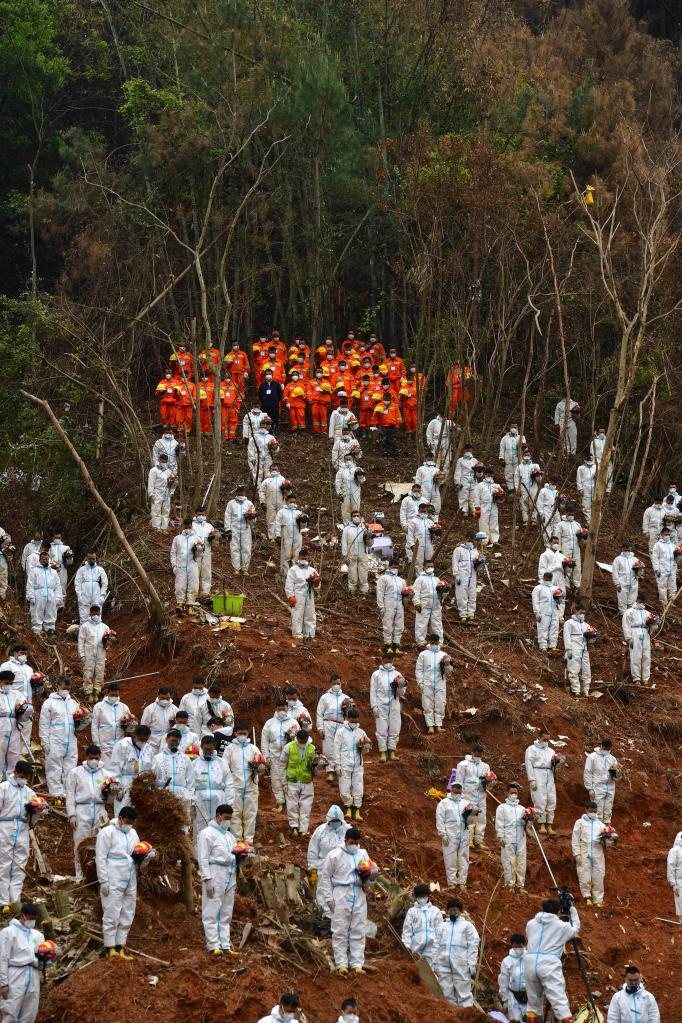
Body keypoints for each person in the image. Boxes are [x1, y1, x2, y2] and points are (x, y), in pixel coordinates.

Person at [318, 827, 371, 975]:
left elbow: (367, 875)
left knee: (358, 928)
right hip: (341, 892)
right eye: (351, 842)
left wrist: (368, 881)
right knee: (340, 929)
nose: (354, 845)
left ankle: (357, 963)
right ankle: (341, 963)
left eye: (356, 842)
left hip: (358, 892)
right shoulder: (334, 855)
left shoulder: (362, 854)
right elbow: (325, 877)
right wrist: (329, 899)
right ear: (346, 840)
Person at [96, 806, 142, 958]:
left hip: (130, 877)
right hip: (113, 876)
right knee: (112, 912)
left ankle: (121, 946)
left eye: (132, 823)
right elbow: (101, 857)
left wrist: (145, 857)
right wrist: (103, 881)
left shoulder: (133, 833)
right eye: (127, 822)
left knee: (128, 911)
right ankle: (110, 948)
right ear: (120, 818)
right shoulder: (107, 833)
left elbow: (136, 855)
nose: (129, 825)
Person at [525, 896, 580, 1022]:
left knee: (533, 1001)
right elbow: (575, 929)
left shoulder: (531, 923)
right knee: (558, 999)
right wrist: (572, 910)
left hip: (530, 961)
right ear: (559, 911)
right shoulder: (562, 926)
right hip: (549, 963)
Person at [197, 803, 238, 955]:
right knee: (211, 910)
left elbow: (234, 856)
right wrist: (207, 878)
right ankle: (213, 944)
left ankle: (225, 945)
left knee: (226, 911)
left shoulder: (230, 836)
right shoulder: (206, 833)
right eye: (226, 818)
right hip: (215, 873)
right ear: (218, 816)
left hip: (229, 873)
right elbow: (203, 857)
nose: (228, 821)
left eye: (230, 819)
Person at [65, 745, 108, 880]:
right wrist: (72, 814)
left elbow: (112, 797)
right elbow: (70, 795)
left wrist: (112, 793)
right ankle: (80, 876)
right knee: (80, 843)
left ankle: (96, 876)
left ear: (100, 757)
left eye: (96, 758)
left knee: (100, 843)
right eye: (91, 758)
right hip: (82, 810)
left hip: (100, 810)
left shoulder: (106, 774)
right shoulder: (76, 773)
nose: (94, 760)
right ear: (86, 757)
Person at [0, 762, 36, 909]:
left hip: (22, 828)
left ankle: (15, 901)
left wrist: (36, 812)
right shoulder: (3, 788)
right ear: (15, 772)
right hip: (5, 827)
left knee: (19, 865)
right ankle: (3, 902)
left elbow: (33, 821)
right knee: (4, 865)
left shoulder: (29, 792)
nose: (24, 779)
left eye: (26, 777)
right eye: (22, 776)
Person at [188, 735, 234, 845]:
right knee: (200, 826)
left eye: (210, 749)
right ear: (201, 747)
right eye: (206, 749)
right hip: (200, 800)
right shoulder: (194, 764)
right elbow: (190, 784)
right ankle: (199, 855)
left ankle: (219, 852)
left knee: (219, 825)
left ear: (214, 747)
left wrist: (229, 802)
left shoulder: (222, 763)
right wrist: (191, 801)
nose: (208, 751)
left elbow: (229, 784)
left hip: (218, 800)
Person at [433, 896, 480, 1007]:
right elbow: (436, 945)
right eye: (451, 910)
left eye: (456, 910)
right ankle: (452, 1016)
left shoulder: (467, 926)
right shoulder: (442, 926)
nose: (453, 912)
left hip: (461, 966)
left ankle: (466, 1016)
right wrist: (435, 962)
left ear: (461, 911)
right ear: (447, 911)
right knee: (446, 993)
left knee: (464, 994)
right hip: (443, 965)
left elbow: (473, 944)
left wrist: (471, 964)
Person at [39, 676, 79, 798]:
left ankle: (68, 794)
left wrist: (83, 722)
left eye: (68, 688)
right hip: (55, 740)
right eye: (63, 688)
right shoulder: (49, 703)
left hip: (71, 740)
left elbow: (78, 724)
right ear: (57, 686)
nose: (66, 690)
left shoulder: (73, 703)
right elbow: (44, 723)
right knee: (54, 768)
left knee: (70, 768)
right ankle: (56, 794)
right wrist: (45, 742)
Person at [223, 724, 261, 843]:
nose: (242, 736)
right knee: (235, 812)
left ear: (248, 734)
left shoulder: (253, 748)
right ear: (235, 734)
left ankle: (249, 839)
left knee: (250, 812)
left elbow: (262, 767)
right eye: (240, 733)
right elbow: (224, 767)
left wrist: (258, 766)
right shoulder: (229, 749)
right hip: (235, 785)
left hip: (251, 784)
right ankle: (237, 839)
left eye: (244, 733)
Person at [307, 804, 349, 910]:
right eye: (333, 821)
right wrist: (312, 869)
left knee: (342, 893)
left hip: (342, 868)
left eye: (337, 821)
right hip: (324, 867)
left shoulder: (348, 830)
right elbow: (313, 850)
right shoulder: (320, 831)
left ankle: (342, 916)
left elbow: (355, 849)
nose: (335, 824)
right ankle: (325, 916)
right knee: (323, 892)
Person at [572, 801, 613, 906]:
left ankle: (598, 899)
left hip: (597, 851)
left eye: (595, 811)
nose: (593, 813)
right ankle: (587, 896)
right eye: (591, 811)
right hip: (584, 851)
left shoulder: (600, 825)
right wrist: (576, 854)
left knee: (598, 875)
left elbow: (607, 843)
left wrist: (609, 839)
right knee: (584, 874)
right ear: (586, 810)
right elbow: (575, 839)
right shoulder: (579, 823)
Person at [436, 781, 476, 888]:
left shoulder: (466, 803)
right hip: (450, 835)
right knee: (450, 859)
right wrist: (443, 834)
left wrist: (470, 831)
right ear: (451, 788)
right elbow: (440, 819)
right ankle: (452, 882)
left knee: (464, 858)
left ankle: (462, 882)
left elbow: (471, 820)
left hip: (464, 833)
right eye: (455, 787)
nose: (457, 790)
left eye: (459, 788)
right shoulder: (444, 803)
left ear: (462, 789)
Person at [261, 700, 298, 811]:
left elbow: (298, 740)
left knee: (289, 779)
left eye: (284, 708)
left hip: (289, 757)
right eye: (279, 708)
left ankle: (290, 803)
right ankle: (280, 803)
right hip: (274, 756)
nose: (282, 710)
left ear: (287, 708)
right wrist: (266, 757)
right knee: (276, 780)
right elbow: (264, 741)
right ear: (276, 709)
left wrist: (291, 737)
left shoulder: (293, 722)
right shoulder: (269, 723)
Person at [334, 708, 370, 822]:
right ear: (348, 718)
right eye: (352, 719)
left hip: (358, 764)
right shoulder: (340, 732)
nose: (353, 721)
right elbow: (336, 749)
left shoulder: (361, 732)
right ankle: (348, 808)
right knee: (344, 786)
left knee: (358, 786)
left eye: (355, 719)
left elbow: (366, 750)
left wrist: (364, 747)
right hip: (345, 764)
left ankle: (357, 809)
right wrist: (337, 765)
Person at [109, 724, 153, 814]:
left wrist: (150, 785)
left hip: (141, 786)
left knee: (139, 815)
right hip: (125, 784)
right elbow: (115, 767)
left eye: (146, 739)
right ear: (134, 736)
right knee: (123, 813)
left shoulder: (148, 748)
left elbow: (151, 769)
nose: (143, 742)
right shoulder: (122, 745)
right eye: (141, 739)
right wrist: (117, 788)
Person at [370, 655, 405, 763]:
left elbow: (402, 693)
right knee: (381, 728)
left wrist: (399, 686)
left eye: (390, 660)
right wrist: (374, 706)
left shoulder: (398, 674)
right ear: (382, 660)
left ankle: (392, 751)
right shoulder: (376, 674)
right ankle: (383, 753)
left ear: (393, 661)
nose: (388, 662)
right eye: (386, 661)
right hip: (381, 704)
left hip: (394, 704)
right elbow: (373, 691)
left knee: (394, 727)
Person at [524, 729, 561, 834]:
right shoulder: (531, 749)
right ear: (539, 738)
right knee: (540, 799)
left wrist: (557, 762)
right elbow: (529, 765)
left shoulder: (551, 751)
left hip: (549, 774)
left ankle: (549, 824)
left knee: (551, 799)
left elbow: (554, 767)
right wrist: (531, 780)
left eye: (548, 740)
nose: (546, 741)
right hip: (537, 773)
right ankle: (542, 825)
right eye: (544, 739)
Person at [456, 744, 492, 849]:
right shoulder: (463, 765)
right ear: (472, 752)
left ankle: (478, 841)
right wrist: (460, 797)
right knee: (470, 817)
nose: (479, 756)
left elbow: (488, 784)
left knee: (481, 818)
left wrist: (489, 782)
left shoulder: (485, 766)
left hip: (481, 795)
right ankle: (468, 840)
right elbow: (459, 781)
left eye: (481, 754)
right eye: (477, 753)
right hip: (468, 795)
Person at [281, 729, 316, 836]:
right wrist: (284, 782)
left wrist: (319, 766)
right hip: (292, 780)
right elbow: (282, 765)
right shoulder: (289, 747)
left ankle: (303, 829)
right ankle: (294, 827)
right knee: (292, 805)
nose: (302, 742)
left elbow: (315, 768)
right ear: (297, 738)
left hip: (306, 781)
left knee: (306, 806)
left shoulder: (312, 748)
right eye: (300, 740)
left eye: (304, 740)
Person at [495, 782, 528, 893]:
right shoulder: (502, 808)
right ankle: (510, 885)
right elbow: (499, 823)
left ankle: (520, 885)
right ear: (507, 793)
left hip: (520, 839)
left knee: (521, 862)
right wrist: (500, 837)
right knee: (508, 862)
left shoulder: (522, 809)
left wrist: (531, 819)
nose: (514, 795)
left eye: (515, 793)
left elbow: (527, 825)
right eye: (511, 792)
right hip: (508, 839)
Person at [401, 883, 443, 969]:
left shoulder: (435, 911)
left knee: (432, 972)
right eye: (419, 897)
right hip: (416, 947)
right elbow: (407, 930)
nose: (422, 899)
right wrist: (407, 947)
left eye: (424, 896)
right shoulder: (412, 911)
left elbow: (440, 931)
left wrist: (439, 947)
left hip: (431, 948)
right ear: (416, 897)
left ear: (428, 896)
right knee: (417, 970)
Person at [415, 634, 451, 733]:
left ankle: (438, 725)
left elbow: (448, 671)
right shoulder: (423, 654)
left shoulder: (443, 654)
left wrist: (447, 664)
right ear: (429, 642)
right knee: (427, 703)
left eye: (435, 643)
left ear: (438, 642)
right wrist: (420, 682)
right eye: (432, 643)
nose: (434, 645)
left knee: (440, 702)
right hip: (427, 682)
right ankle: (430, 725)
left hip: (440, 682)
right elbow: (419, 670)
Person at [316, 678, 349, 782]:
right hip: (328, 723)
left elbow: (350, 714)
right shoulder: (325, 697)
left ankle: (339, 769)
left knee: (340, 746)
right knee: (328, 748)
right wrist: (320, 728)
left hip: (341, 724)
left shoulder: (346, 698)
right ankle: (329, 771)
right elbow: (319, 713)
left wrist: (347, 724)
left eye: (338, 683)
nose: (336, 685)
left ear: (341, 683)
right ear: (330, 683)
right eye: (334, 683)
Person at [152, 729, 191, 816]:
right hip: (163, 795)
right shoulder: (157, 758)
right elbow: (153, 777)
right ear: (166, 740)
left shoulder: (185, 759)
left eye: (176, 741)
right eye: (172, 740)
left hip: (181, 796)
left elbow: (191, 780)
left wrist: (188, 796)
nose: (174, 743)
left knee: (181, 823)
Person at [0, 646, 33, 745]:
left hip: (26, 703)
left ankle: (23, 755)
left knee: (26, 728)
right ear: (14, 653)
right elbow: (3, 682)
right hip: (10, 704)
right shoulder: (7, 665)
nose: (24, 655)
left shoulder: (29, 669)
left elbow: (33, 687)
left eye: (25, 653)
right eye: (21, 653)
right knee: (10, 733)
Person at [26, 550, 62, 639]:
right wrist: (31, 596)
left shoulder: (53, 572)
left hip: (51, 594)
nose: (45, 561)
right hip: (38, 594)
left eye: (46, 559)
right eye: (43, 559)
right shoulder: (34, 571)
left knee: (51, 613)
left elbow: (58, 586)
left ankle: (50, 630)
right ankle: (36, 631)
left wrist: (58, 598)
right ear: (40, 560)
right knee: (37, 613)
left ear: (48, 559)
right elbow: (30, 584)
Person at [91, 683, 130, 765]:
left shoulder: (124, 707)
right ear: (107, 693)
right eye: (112, 695)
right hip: (104, 746)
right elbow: (94, 726)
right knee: (106, 771)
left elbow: (129, 725)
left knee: (118, 770)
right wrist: (97, 744)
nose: (114, 697)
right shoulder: (99, 707)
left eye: (116, 695)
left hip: (120, 745)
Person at [284, 551, 320, 641]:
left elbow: (318, 586)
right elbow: (289, 583)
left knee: (310, 614)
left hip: (309, 593)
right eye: (302, 557)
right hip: (298, 593)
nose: (304, 559)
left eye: (305, 558)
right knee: (297, 613)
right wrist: (290, 596)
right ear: (299, 557)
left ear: (308, 558)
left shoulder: (312, 570)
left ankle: (309, 634)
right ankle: (297, 634)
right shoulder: (293, 569)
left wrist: (316, 582)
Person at [78, 606, 112, 700]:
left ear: (100, 614)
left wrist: (108, 641)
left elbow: (109, 642)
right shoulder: (85, 627)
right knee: (88, 672)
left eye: (97, 614)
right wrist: (82, 655)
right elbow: (81, 642)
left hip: (101, 653)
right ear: (90, 614)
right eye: (94, 614)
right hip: (88, 653)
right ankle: (88, 692)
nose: (96, 616)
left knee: (100, 672)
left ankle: (97, 691)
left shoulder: (105, 627)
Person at [0, 670, 29, 779]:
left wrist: (21, 709)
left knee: (13, 752)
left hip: (14, 725)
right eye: (6, 683)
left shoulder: (16, 694)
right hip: (1, 724)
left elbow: (26, 708)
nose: (9, 685)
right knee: (0, 752)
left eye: (11, 683)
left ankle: (10, 779)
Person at [170, 516, 203, 607]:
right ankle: (180, 603)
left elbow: (200, 554)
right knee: (180, 585)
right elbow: (173, 552)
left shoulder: (197, 538)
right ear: (183, 526)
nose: (188, 528)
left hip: (192, 564)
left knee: (193, 584)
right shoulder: (177, 538)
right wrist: (174, 566)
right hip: (180, 565)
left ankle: (191, 603)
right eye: (186, 527)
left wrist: (198, 549)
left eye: (189, 527)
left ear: (191, 526)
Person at [584, 738, 618, 824]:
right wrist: (590, 788)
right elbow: (588, 772)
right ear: (601, 746)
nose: (607, 751)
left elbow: (615, 776)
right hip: (597, 787)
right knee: (598, 811)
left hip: (610, 787)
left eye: (608, 749)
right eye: (605, 749)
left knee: (608, 810)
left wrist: (617, 773)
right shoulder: (592, 757)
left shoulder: (612, 759)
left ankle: (606, 832)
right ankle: (596, 832)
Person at [375, 562, 407, 654]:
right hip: (388, 604)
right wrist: (381, 606)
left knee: (399, 625)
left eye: (397, 567)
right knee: (388, 625)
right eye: (393, 567)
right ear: (389, 567)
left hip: (399, 604)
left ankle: (396, 645)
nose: (395, 569)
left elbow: (405, 593)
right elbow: (380, 592)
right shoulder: (383, 578)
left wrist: (407, 594)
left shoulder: (401, 580)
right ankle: (388, 645)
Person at [224, 486, 256, 575]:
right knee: (234, 548)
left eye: (242, 491)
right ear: (236, 492)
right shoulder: (231, 503)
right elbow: (227, 517)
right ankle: (236, 569)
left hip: (245, 529)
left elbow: (253, 521)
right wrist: (228, 529)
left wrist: (251, 517)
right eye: (239, 491)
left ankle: (245, 569)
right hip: (234, 529)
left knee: (246, 549)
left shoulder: (249, 503)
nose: (240, 493)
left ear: (245, 492)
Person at [564, 608, 595, 698]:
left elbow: (590, 640)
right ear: (575, 612)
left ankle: (586, 690)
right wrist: (568, 649)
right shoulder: (569, 623)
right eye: (581, 612)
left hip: (584, 650)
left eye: (584, 613)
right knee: (574, 669)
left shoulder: (586, 625)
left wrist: (592, 637)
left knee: (587, 670)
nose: (582, 614)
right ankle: (576, 690)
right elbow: (566, 636)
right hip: (574, 648)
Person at [622, 600, 654, 686]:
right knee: (636, 656)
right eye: (640, 601)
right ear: (636, 600)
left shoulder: (647, 613)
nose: (642, 603)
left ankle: (646, 678)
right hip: (634, 633)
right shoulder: (629, 612)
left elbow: (653, 627)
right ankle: (636, 678)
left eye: (643, 601)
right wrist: (629, 638)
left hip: (645, 634)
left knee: (646, 656)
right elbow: (626, 625)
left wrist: (654, 623)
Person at [498, 933, 528, 1022]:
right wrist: (505, 1000)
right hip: (513, 997)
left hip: (529, 996)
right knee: (515, 1020)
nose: (518, 949)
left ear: (524, 945)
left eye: (520, 947)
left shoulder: (530, 958)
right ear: (512, 945)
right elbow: (503, 981)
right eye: (516, 947)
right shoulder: (507, 961)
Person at [452, 534, 482, 621]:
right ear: (465, 539)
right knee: (462, 593)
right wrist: (456, 574)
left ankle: (471, 613)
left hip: (472, 575)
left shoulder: (475, 551)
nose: (470, 540)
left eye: (472, 539)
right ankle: (463, 613)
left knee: (472, 594)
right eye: (469, 538)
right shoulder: (458, 550)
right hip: (462, 574)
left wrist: (479, 563)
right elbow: (455, 562)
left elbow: (478, 566)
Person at [341, 512, 371, 597]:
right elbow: (344, 542)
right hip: (351, 555)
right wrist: (345, 555)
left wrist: (369, 537)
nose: (356, 517)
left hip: (363, 555)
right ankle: (352, 592)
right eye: (354, 516)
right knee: (352, 574)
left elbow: (369, 543)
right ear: (351, 518)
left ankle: (364, 593)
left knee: (363, 574)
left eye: (358, 516)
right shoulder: (347, 529)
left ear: (361, 517)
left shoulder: (364, 528)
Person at [191, 507, 220, 598]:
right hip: (194, 553)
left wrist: (215, 536)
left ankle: (205, 593)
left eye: (202, 514)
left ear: (205, 514)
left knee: (206, 573)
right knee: (194, 573)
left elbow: (214, 543)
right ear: (195, 514)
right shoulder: (191, 525)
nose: (201, 516)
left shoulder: (209, 526)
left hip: (207, 552)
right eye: (199, 514)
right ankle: (193, 593)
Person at [140, 688, 178, 755]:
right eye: (162, 698)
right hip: (152, 744)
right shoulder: (150, 709)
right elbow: (144, 727)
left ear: (170, 696)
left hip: (168, 744)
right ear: (158, 695)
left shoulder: (174, 709)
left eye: (167, 698)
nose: (165, 700)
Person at [532, 571, 563, 652]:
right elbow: (535, 601)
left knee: (554, 628)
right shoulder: (538, 588)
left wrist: (560, 595)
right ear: (543, 578)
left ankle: (553, 646)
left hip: (554, 611)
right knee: (543, 628)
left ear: (551, 578)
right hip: (543, 611)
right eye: (546, 578)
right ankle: (543, 646)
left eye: (549, 578)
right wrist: (537, 612)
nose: (548, 579)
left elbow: (562, 600)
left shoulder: (555, 588)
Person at [74, 551, 108, 624]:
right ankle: (84, 632)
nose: (92, 560)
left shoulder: (100, 569)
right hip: (84, 594)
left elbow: (104, 583)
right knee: (84, 614)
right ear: (87, 558)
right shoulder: (82, 570)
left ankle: (96, 633)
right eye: (90, 559)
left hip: (96, 594)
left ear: (96, 558)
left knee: (96, 614)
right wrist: (79, 595)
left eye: (93, 558)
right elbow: (77, 583)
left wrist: (102, 595)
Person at [275, 493, 304, 577]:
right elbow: (277, 524)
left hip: (297, 535)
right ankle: (286, 574)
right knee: (286, 555)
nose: (292, 503)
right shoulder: (281, 512)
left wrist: (303, 521)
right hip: (286, 534)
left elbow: (303, 527)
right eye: (291, 501)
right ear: (286, 501)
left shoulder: (298, 512)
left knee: (296, 555)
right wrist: (278, 535)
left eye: (294, 502)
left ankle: (294, 574)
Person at [258, 464, 289, 541]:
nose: (274, 470)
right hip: (270, 502)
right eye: (272, 469)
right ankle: (272, 537)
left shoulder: (283, 480)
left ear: (278, 470)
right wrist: (262, 502)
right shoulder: (266, 481)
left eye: (275, 469)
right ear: (270, 470)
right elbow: (261, 492)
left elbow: (289, 492)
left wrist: (287, 490)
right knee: (271, 519)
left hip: (281, 501)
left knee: (281, 518)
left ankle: (281, 536)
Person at [472, 468, 502, 546]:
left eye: (491, 475)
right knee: (483, 523)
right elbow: (476, 497)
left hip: (493, 505)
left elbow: (501, 498)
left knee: (494, 522)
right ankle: (484, 541)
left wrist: (500, 496)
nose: (490, 476)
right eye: (488, 475)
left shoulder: (496, 486)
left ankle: (495, 540)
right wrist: (477, 508)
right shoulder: (479, 485)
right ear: (485, 475)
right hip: (483, 506)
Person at [247, 415, 279, 485]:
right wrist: (252, 458)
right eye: (268, 424)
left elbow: (275, 450)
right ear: (263, 425)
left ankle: (267, 489)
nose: (269, 426)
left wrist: (275, 447)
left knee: (268, 473)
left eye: (269, 424)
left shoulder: (270, 437)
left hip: (268, 457)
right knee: (258, 474)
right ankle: (258, 489)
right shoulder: (255, 437)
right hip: (258, 457)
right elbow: (250, 448)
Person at [147, 453, 175, 530]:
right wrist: (150, 494)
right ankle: (156, 527)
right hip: (157, 491)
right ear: (159, 460)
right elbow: (151, 482)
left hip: (166, 492)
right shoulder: (154, 470)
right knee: (156, 509)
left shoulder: (168, 471)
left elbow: (173, 481)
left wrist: (172, 489)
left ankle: (164, 527)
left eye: (165, 461)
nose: (164, 462)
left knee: (166, 509)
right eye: (162, 461)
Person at [406, 504, 436, 576]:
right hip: (418, 544)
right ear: (419, 510)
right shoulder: (413, 521)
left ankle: (430, 576)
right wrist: (412, 545)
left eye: (424, 511)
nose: (423, 512)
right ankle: (420, 577)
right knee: (419, 562)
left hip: (428, 543)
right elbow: (409, 534)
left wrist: (436, 532)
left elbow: (435, 535)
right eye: (421, 510)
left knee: (429, 560)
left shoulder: (429, 521)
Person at [558, 509, 584, 589]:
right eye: (569, 513)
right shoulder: (560, 524)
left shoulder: (577, 524)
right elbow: (557, 538)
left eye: (572, 513)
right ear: (566, 513)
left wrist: (582, 536)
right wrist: (559, 550)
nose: (571, 515)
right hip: (566, 548)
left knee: (577, 567)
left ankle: (577, 585)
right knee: (567, 568)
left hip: (576, 548)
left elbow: (581, 538)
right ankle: (566, 586)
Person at [612, 541, 640, 612]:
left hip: (633, 584)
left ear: (630, 549)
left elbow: (640, 573)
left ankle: (630, 617)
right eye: (625, 550)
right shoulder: (618, 559)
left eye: (628, 550)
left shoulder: (635, 559)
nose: (627, 551)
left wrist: (638, 570)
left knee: (632, 603)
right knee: (622, 602)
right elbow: (615, 572)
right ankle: (623, 617)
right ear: (622, 549)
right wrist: (617, 583)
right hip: (622, 584)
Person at [335, 455, 364, 526]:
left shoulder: (357, 469)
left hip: (355, 492)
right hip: (345, 492)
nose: (348, 460)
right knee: (345, 508)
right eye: (346, 459)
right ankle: (347, 524)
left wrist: (360, 474)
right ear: (344, 460)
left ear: (352, 459)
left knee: (356, 507)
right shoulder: (341, 471)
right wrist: (339, 493)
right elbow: (338, 482)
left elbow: (362, 480)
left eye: (349, 459)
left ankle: (356, 522)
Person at [652, 526, 677, 604]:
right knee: (662, 586)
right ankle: (664, 603)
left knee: (672, 585)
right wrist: (656, 569)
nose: (667, 536)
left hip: (672, 568)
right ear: (662, 535)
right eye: (666, 534)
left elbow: (676, 556)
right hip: (662, 569)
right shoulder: (658, 545)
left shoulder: (672, 545)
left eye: (668, 534)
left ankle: (672, 600)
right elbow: (655, 557)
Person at [514, 452, 541, 524]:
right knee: (523, 503)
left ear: (530, 456)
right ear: (523, 456)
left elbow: (539, 479)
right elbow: (516, 479)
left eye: (528, 455)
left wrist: (536, 474)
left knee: (533, 502)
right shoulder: (519, 467)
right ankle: (526, 520)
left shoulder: (535, 466)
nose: (527, 456)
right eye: (525, 455)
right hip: (523, 487)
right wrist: (517, 489)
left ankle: (534, 519)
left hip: (533, 487)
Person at [453, 445, 478, 516]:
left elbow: (479, 475)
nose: (468, 451)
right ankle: (464, 511)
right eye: (467, 450)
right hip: (464, 481)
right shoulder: (460, 460)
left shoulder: (475, 460)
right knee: (463, 496)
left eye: (470, 450)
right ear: (464, 450)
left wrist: (479, 471)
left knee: (473, 496)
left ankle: (474, 511)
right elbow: (457, 472)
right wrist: (457, 483)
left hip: (473, 481)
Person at [499, 424, 524, 491]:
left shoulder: (521, 437)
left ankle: (518, 490)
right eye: (512, 427)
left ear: (517, 428)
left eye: (515, 427)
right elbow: (502, 448)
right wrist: (501, 458)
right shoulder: (505, 438)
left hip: (518, 460)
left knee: (517, 475)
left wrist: (523, 447)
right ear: (510, 428)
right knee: (508, 475)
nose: (513, 428)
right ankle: (511, 490)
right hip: (508, 460)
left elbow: (525, 450)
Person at [536, 477, 560, 542]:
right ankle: (547, 544)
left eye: (555, 482)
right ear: (549, 481)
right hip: (546, 510)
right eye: (553, 481)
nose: (554, 483)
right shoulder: (543, 491)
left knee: (556, 527)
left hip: (555, 511)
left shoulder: (556, 492)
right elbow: (539, 503)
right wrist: (541, 513)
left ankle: (555, 544)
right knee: (547, 527)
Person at [576, 454, 596, 524]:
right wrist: (580, 489)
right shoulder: (580, 468)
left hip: (594, 487)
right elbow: (578, 479)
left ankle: (596, 521)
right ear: (585, 461)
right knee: (586, 505)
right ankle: (589, 521)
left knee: (595, 504)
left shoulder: (595, 467)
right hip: (585, 487)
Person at [666, 831, 682, 922]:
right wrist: (673, 883)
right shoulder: (675, 851)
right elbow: (671, 866)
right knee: (680, 898)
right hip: (679, 879)